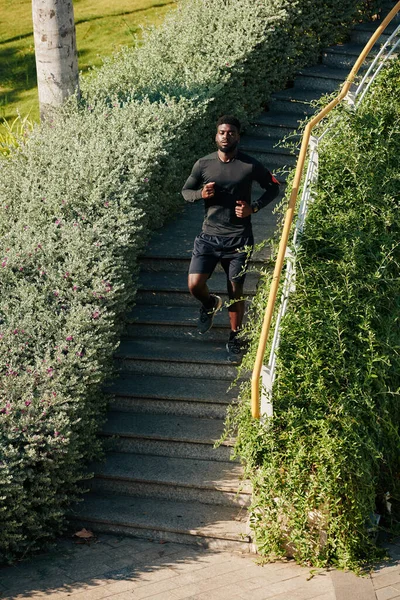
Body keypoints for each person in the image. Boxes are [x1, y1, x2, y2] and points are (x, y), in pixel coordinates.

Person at [181, 115, 280, 362]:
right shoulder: (203, 164)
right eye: (222, 132)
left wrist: (253, 208)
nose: (226, 136)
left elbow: (274, 187)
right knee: (194, 285)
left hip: (239, 240)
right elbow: (185, 192)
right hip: (209, 238)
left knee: (235, 290)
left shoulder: (249, 165)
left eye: (231, 133)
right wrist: (200, 194)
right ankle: (209, 304)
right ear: (216, 136)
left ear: (238, 136)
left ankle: (235, 336)